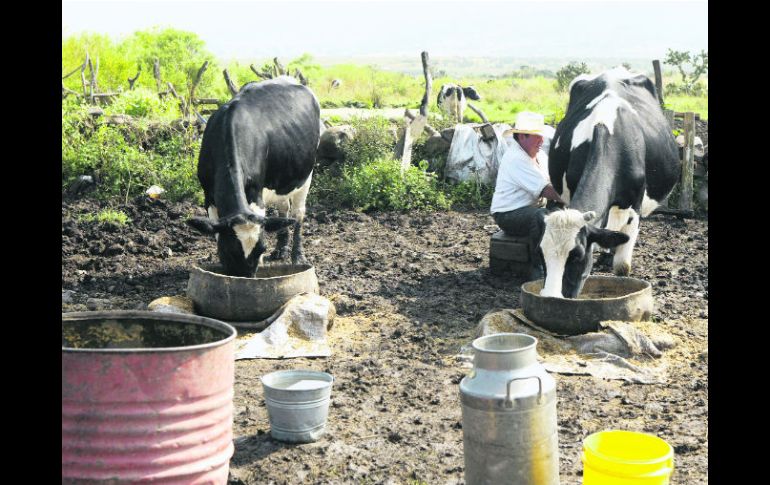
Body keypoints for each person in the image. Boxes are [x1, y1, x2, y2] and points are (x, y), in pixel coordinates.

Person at [491, 111, 566, 279]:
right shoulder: (516, 158)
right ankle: (537, 267)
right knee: (542, 217)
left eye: (541, 136)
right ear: (522, 137)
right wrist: (571, 199)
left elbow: (554, 183)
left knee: (558, 211)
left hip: (532, 208)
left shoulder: (540, 156)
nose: (542, 140)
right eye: (537, 136)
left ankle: (561, 259)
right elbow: (546, 190)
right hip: (508, 214)